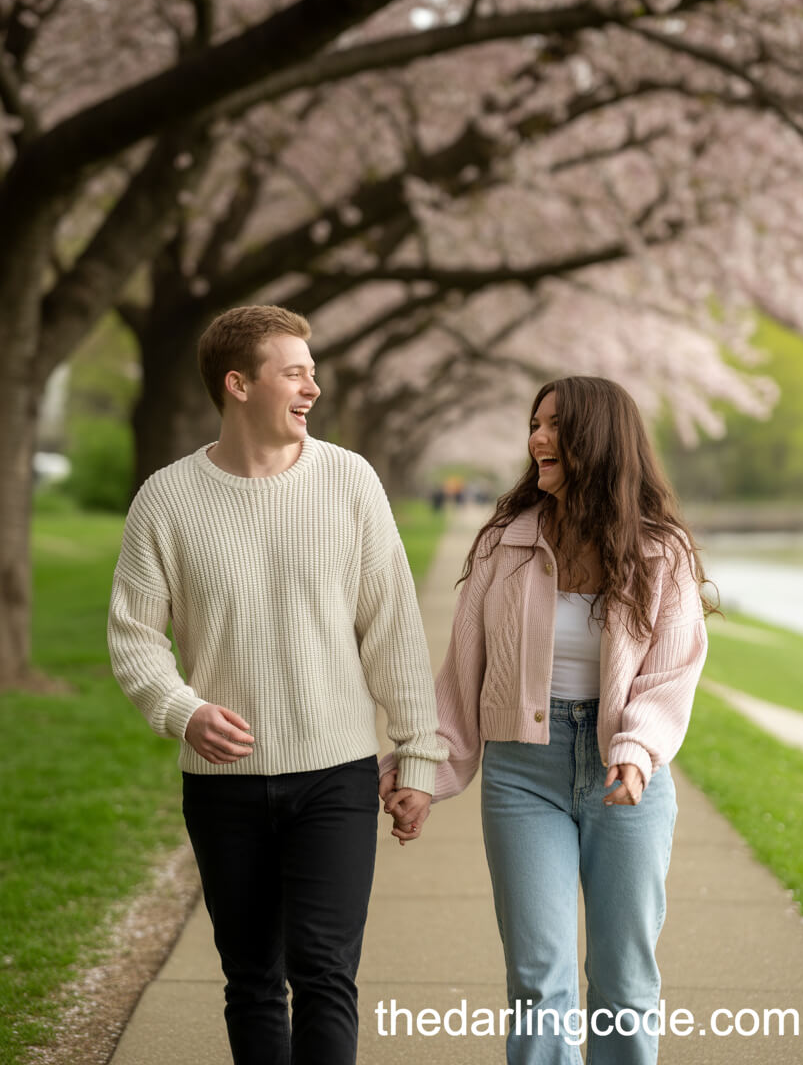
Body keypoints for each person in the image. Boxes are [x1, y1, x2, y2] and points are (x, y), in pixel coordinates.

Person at [107, 304, 445, 1065]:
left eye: (312, 373)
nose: (312, 389)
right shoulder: (166, 498)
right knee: (252, 979)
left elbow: (392, 628)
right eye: (294, 374)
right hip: (222, 784)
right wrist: (181, 710)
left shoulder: (350, 481)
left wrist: (418, 757)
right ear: (238, 385)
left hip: (335, 775)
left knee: (324, 973)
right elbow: (134, 635)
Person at [382, 375, 711, 1064]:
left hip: (625, 778)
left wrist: (636, 749)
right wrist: (423, 770)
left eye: (555, 425)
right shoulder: (505, 543)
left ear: (601, 439)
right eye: (534, 424)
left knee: (624, 982)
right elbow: (462, 674)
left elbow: (672, 671)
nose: (537, 439)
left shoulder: (662, 551)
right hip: (521, 774)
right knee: (537, 981)